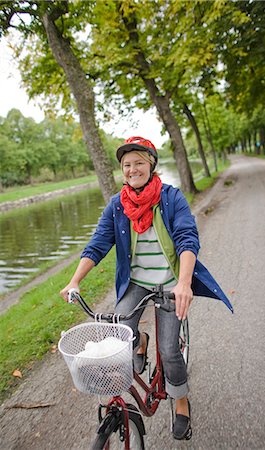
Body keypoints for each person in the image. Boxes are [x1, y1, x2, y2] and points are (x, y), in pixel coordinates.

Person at [60, 136, 233, 441]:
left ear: (151, 164)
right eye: (126, 165)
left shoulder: (171, 197)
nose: (132, 169)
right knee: (118, 334)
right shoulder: (117, 205)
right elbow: (99, 243)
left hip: (169, 282)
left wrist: (183, 283)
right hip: (137, 282)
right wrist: (74, 280)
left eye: (139, 162)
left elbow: (187, 238)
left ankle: (180, 400)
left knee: (168, 350)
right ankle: (140, 340)